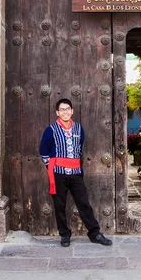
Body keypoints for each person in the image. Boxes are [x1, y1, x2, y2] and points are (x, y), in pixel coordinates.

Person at [39, 98, 113, 247]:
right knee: (59, 205)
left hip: (75, 172)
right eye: (62, 109)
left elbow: (80, 149)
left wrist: (77, 168)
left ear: (72, 111)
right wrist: (51, 167)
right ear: (57, 112)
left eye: (68, 109)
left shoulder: (79, 129)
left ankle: (94, 233)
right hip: (58, 173)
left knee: (83, 203)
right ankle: (64, 235)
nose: (65, 112)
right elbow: (43, 150)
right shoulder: (51, 130)